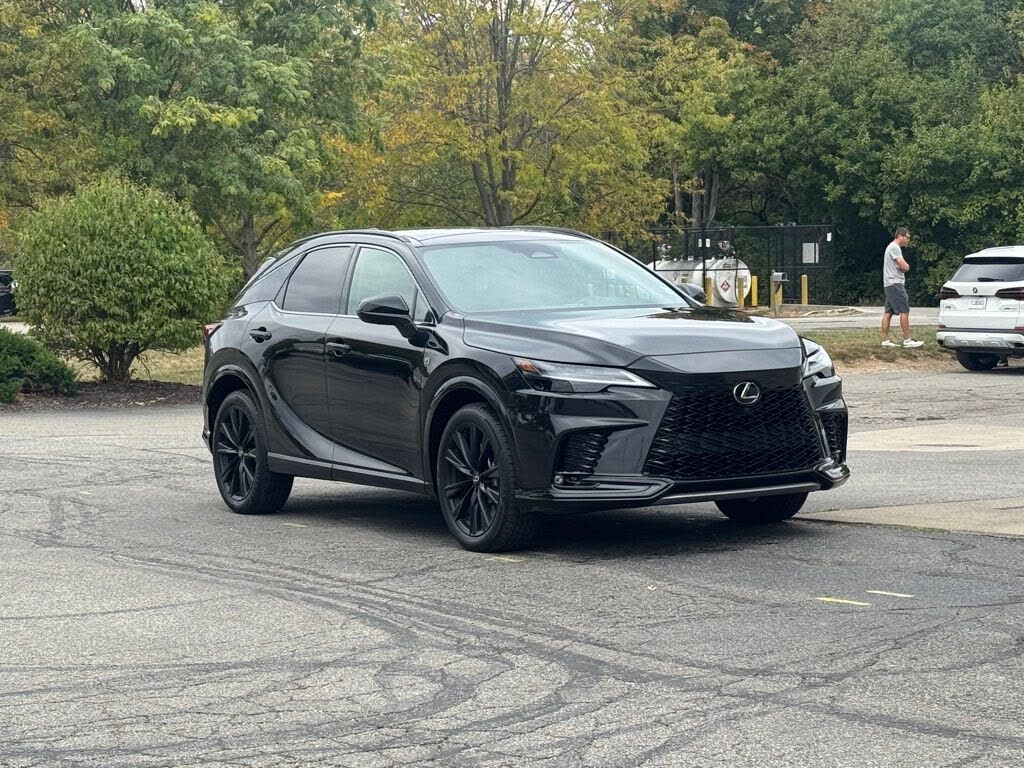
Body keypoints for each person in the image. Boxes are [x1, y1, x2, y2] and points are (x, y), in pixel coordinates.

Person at [881, 227, 924, 348]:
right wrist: (906, 267)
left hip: (888, 283)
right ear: (900, 236)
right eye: (907, 237)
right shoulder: (895, 247)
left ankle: (885, 340)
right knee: (905, 311)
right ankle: (907, 340)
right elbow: (904, 265)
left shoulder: (890, 247)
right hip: (895, 283)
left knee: (888, 312)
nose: (908, 240)